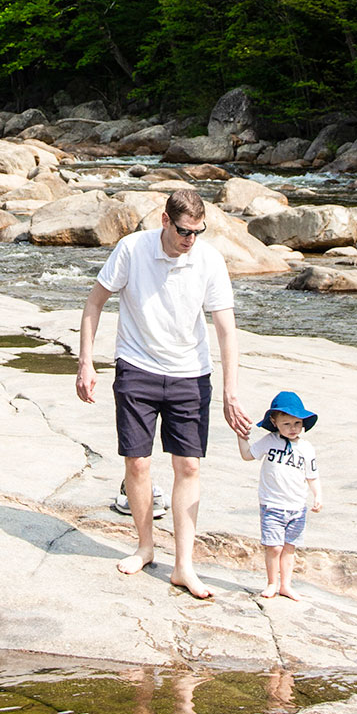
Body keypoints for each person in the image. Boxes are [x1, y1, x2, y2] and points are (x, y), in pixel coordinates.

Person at [75, 188, 250, 600]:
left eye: (198, 232)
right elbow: (94, 303)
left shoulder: (208, 259)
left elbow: (226, 328)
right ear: (165, 222)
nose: (191, 240)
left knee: (188, 467)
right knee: (137, 463)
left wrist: (231, 391)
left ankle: (184, 565)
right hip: (137, 367)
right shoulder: (132, 250)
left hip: (191, 374)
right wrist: (86, 362)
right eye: (185, 231)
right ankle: (145, 546)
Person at [237, 390, 322, 602]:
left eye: (297, 423)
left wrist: (317, 495)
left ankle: (286, 585)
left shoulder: (306, 448)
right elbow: (248, 455)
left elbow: (312, 475)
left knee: (289, 548)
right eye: (286, 424)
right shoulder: (269, 441)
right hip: (272, 504)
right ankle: (271, 583)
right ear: (274, 422)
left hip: (297, 507)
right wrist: (241, 436)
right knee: (274, 547)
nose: (292, 429)